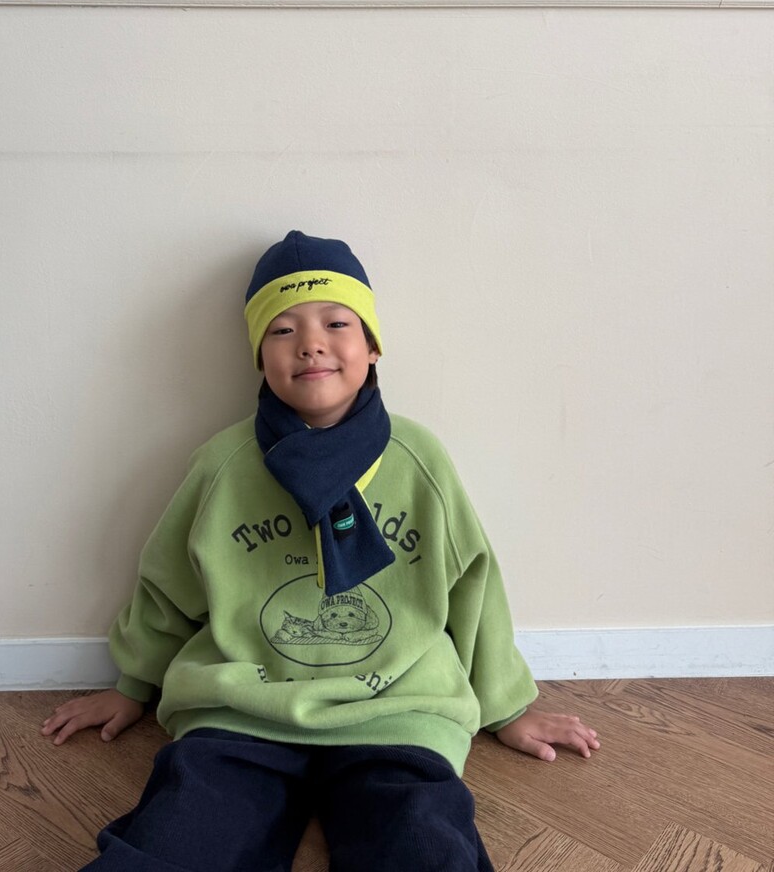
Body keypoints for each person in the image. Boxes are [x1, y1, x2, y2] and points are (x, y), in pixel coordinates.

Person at [42, 231, 600, 871]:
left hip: (396, 711)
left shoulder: (420, 459)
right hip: (243, 711)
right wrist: (134, 684)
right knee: (180, 837)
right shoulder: (222, 465)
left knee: (421, 844)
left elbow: (474, 586)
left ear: (372, 345)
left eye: (336, 322)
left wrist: (507, 707)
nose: (310, 343)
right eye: (282, 330)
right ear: (259, 356)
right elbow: (168, 583)